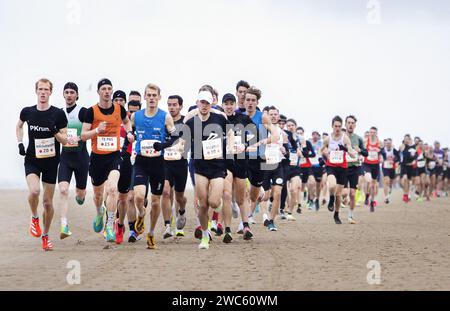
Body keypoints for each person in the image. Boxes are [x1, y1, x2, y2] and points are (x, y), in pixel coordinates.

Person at [16, 78, 68, 250]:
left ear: (51, 92)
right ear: (36, 91)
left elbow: (65, 140)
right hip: (32, 160)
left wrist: (53, 131)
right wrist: (20, 143)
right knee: (34, 191)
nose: (43, 92)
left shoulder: (58, 114)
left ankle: (45, 235)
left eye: (46, 89)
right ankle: (34, 218)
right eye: (40, 89)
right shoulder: (28, 112)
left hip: (51, 162)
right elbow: (19, 126)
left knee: (47, 203)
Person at [81, 79, 134, 242]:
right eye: (103, 88)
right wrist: (97, 130)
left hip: (114, 156)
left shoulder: (119, 108)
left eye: (109, 88)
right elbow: (83, 135)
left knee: (112, 190)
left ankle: (110, 226)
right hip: (97, 157)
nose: (107, 91)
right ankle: (99, 213)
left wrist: (130, 132)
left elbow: (126, 122)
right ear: (98, 92)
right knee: (98, 194)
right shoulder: (91, 111)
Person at [184, 90, 234, 249]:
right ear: (197, 103)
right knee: (202, 204)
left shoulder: (219, 117)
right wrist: (179, 148)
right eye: (202, 102)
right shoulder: (191, 121)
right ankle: (205, 236)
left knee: (213, 201)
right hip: (200, 166)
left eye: (207, 103)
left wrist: (231, 145)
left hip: (218, 165)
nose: (204, 106)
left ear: (211, 103)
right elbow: (183, 140)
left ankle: (217, 208)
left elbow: (230, 132)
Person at [131, 83, 177, 249]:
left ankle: (150, 234)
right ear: (144, 97)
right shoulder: (136, 116)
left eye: (154, 95)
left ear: (159, 97)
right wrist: (130, 136)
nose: (151, 98)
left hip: (158, 163)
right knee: (138, 196)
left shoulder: (165, 117)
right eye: (148, 95)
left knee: (156, 202)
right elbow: (130, 131)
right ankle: (141, 215)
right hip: (141, 161)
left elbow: (175, 137)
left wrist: (162, 146)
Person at [57, 82, 89, 239]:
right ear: (63, 95)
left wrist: (78, 137)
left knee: (81, 195)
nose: (69, 95)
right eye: (66, 92)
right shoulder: (58, 113)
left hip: (81, 158)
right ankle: (64, 225)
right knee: (63, 190)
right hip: (66, 158)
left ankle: (81, 196)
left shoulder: (82, 112)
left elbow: (88, 132)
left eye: (72, 92)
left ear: (77, 95)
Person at [221, 93, 254, 242]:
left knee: (241, 198)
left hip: (240, 162)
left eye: (231, 104)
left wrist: (245, 145)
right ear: (222, 105)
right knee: (227, 195)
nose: (228, 106)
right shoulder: (217, 119)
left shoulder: (243, 118)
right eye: (226, 104)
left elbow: (255, 135)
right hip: (224, 162)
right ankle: (227, 229)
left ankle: (246, 226)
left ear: (235, 105)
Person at [161, 95, 188, 238]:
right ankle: (167, 225)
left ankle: (182, 211)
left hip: (181, 163)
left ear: (180, 106)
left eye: (174, 105)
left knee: (179, 197)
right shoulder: (163, 121)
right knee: (165, 192)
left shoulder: (185, 122)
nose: (171, 107)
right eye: (169, 104)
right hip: (165, 162)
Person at [321, 116, 356, 224]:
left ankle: (336, 214)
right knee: (331, 185)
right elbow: (322, 150)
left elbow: (350, 151)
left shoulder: (345, 138)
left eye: (339, 126)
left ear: (342, 127)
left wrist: (347, 150)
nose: (337, 128)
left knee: (339, 194)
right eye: (335, 126)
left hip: (342, 167)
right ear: (332, 126)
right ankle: (331, 199)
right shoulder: (328, 139)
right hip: (331, 166)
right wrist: (324, 155)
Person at [344, 115, 368, 223]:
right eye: (348, 123)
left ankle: (350, 216)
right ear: (345, 124)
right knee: (344, 193)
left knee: (353, 194)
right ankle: (340, 201)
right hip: (343, 168)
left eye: (352, 123)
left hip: (354, 167)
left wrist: (360, 151)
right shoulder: (341, 137)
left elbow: (366, 153)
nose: (350, 125)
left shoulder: (358, 138)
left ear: (355, 125)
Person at [362, 127, 382, 212]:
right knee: (369, 180)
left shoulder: (379, 142)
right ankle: (367, 196)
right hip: (367, 164)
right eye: (371, 132)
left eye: (374, 132)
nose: (372, 134)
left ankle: (371, 201)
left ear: (376, 133)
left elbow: (381, 152)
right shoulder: (365, 141)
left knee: (373, 184)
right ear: (369, 133)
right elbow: (362, 151)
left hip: (375, 165)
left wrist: (380, 156)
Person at [380, 138, 400, 204]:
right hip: (385, 167)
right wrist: (381, 159)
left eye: (389, 143)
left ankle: (390, 187)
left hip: (392, 168)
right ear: (385, 144)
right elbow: (379, 156)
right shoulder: (382, 150)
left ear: (391, 144)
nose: (388, 144)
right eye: (387, 143)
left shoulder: (394, 150)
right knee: (386, 181)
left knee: (390, 182)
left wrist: (394, 161)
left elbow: (398, 158)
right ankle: (386, 197)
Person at [399, 134, 417, 203]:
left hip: (410, 167)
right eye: (405, 138)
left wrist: (414, 160)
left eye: (408, 139)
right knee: (404, 180)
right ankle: (405, 194)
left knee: (408, 181)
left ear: (409, 140)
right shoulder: (402, 146)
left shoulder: (413, 147)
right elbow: (399, 155)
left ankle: (406, 194)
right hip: (404, 166)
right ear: (404, 139)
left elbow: (415, 155)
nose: (406, 140)